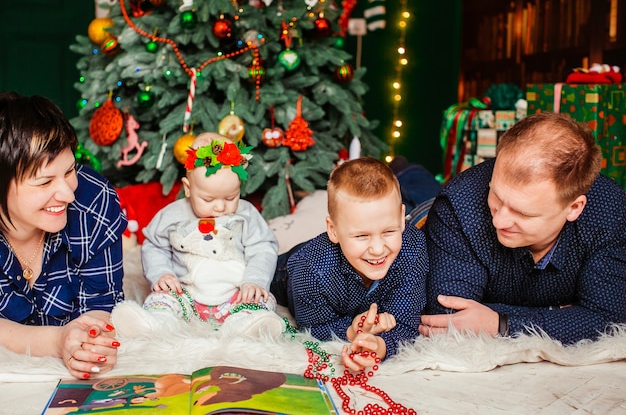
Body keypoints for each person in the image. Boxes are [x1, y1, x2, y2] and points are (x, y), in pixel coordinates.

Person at [420, 111, 626, 345]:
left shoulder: (610, 212)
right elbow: (448, 319)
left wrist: (501, 323)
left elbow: (610, 320)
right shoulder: (457, 205)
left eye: (523, 212)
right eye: (496, 196)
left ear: (574, 208)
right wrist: (565, 315)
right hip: (424, 216)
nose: (500, 221)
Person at [0, 92, 127, 379]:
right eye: (44, 182)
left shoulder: (93, 199)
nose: (68, 194)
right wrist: (57, 342)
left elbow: (101, 302)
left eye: (69, 171)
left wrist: (89, 341)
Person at [115, 133, 283, 336]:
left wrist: (254, 281)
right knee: (160, 299)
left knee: (263, 300)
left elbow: (263, 248)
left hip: (236, 296)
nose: (221, 206)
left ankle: (244, 325)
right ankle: (157, 323)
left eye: (231, 197)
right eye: (208, 198)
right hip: (185, 295)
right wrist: (160, 273)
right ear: (188, 188)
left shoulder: (246, 215)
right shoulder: (171, 215)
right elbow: (154, 246)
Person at [271, 157, 428, 371]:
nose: (378, 249)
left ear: (401, 218)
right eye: (362, 236)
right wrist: (351, 331)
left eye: (389, 231)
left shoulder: (413, 247)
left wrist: (379, 345)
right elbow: (313, 328)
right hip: (286, 270)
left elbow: (406, 319)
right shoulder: (309, 269)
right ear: (333, 229)